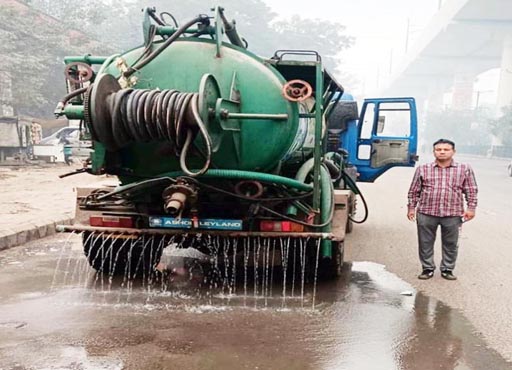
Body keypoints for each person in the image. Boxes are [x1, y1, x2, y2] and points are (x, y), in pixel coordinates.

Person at [407, 138, 478, 280]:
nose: (442, 152)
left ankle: (447, 269)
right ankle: (427, 268)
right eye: (438, 150)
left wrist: (471, 208)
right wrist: (411, 208)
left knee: (451, 243)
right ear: (434, 152)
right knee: (425, 242)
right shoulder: (423, 169)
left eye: (446, 149)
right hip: (427, 212)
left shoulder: (464, 169)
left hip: (453, 214)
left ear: (453, 152)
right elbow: (414, 191)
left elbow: (471, 189)